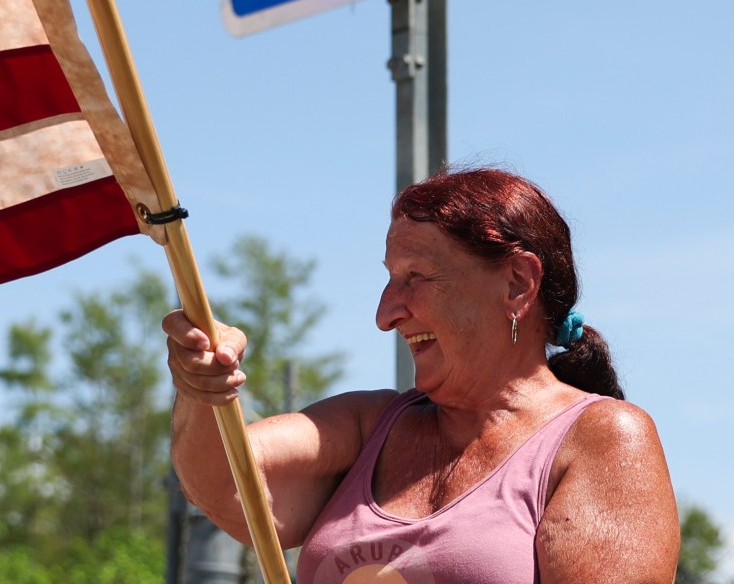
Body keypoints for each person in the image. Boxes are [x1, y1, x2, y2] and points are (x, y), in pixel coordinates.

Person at [165, 167, 680, 583]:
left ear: (517, 285)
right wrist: (199, 388)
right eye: (390, 279)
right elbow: (217, 477)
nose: (386, 313)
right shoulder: (367, 425)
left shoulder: (601, 438)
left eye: (416, 277)